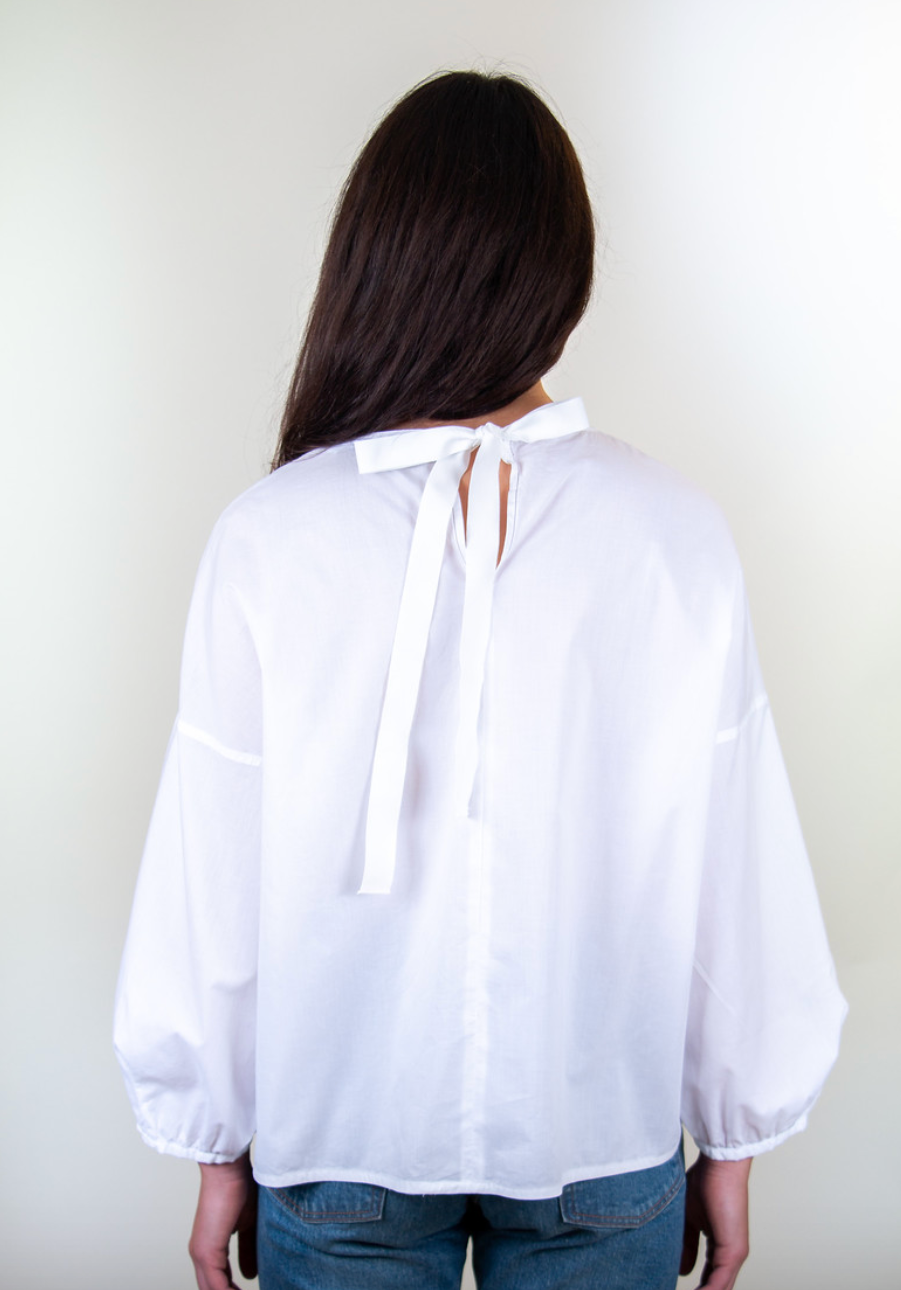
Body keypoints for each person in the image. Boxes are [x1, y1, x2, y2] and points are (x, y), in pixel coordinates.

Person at [113, 70, 847, 1290]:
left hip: (337, 1132)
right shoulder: (673, 533)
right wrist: (736, 1132)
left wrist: (211, 1142)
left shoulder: (269, 537)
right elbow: (733, 859)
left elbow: (214, 871)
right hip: (600, 1136)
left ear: (377, 261)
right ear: (564, 271)